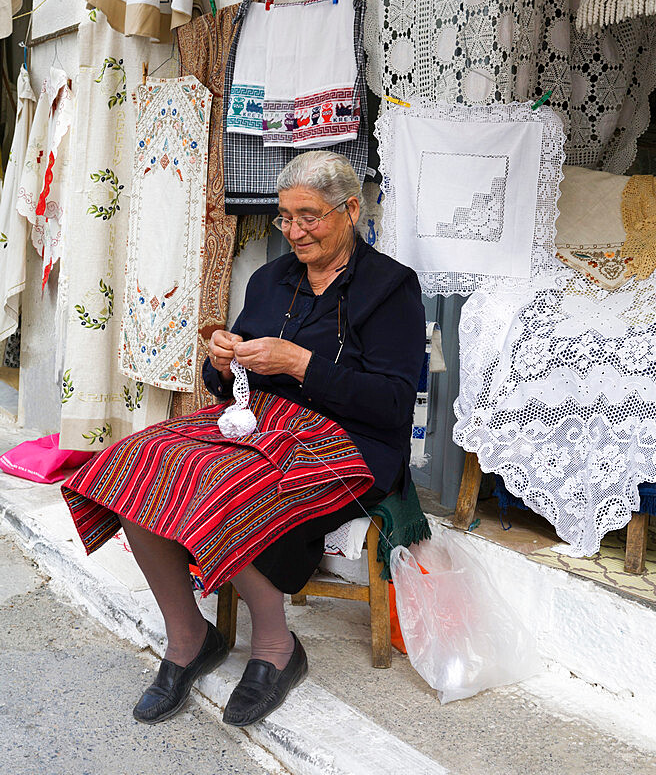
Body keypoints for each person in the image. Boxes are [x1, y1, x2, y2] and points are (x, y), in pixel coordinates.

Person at [61, 150, 425, 729]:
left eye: (310, 216)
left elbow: (393, 404)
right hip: (259, 419)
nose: (294, 231)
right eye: (285, 217)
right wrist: (222, 362)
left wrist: (303, 365)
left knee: (224, 486)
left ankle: (277, 648)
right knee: (133, 463)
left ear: (350, 210)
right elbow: (229, 383)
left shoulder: (390, 289)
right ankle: (189, 638)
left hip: (351, 443)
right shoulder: (272, 278)